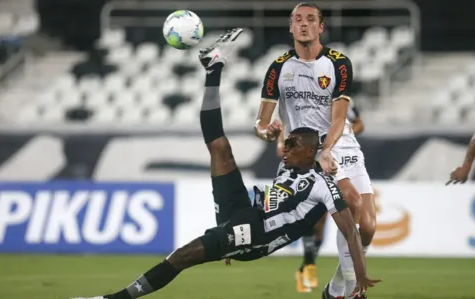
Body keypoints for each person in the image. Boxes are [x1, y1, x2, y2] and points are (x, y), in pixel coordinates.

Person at [70, 28, 380, 299]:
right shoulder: (287, 165)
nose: (286, 146)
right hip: (246, 213)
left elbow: (351, 231)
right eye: (288, 141)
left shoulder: (323, 184)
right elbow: (276, 198)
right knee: (219, 148)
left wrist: (358, 276)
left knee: (184, 255)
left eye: (295, 144)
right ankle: (213, 68)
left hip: (258, 236)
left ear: (312, 152)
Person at [253, 2, 376, 298]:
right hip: (307, 152)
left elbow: (339, 119)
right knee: (352, 201)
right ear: (291, 27)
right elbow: (261, 120)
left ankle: (335, 289)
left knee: (369, 226)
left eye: (310, 19)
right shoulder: (278, 67)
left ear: (320, 27)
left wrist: (328, 149)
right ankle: (351, 290)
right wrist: (266, 131)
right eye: (298, 19)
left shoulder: (338, 63)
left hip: (340, 143)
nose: (304, 24)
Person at [274, 101, 366, 293]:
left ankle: (311, 267)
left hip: (339, 158)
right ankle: (309, 265)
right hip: (316, 156)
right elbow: (288, 120)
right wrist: (282, 142)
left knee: (337, 214)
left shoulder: (344, 101)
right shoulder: (307, 97)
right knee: (316, 217)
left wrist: (343, 136)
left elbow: (359, 124)